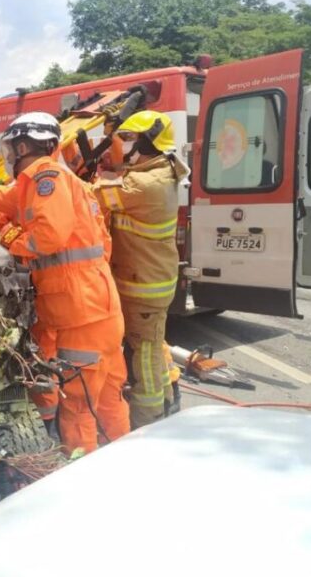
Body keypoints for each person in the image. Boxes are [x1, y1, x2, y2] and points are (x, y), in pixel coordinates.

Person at [0, 112, 130, 453]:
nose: (9, 156)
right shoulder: (50, 182)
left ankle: (81, 477)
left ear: (24, 145)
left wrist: (12, 248)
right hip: (99, 305)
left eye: (11, 148)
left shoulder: (46, 177)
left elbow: (49, 237)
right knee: (109, 396)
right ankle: (122, 455)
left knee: (80, 407)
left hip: (79, 311)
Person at [91, 110, 190, 428]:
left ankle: (148, 418)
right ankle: (164, 402)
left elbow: (92, 196)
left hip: (143, 285)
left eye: (126, 139)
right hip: (153, 279)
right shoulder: (161, 169)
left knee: (144, 352)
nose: (119, 146)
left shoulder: (144, 185)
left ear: (143, 144)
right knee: (152, 343)